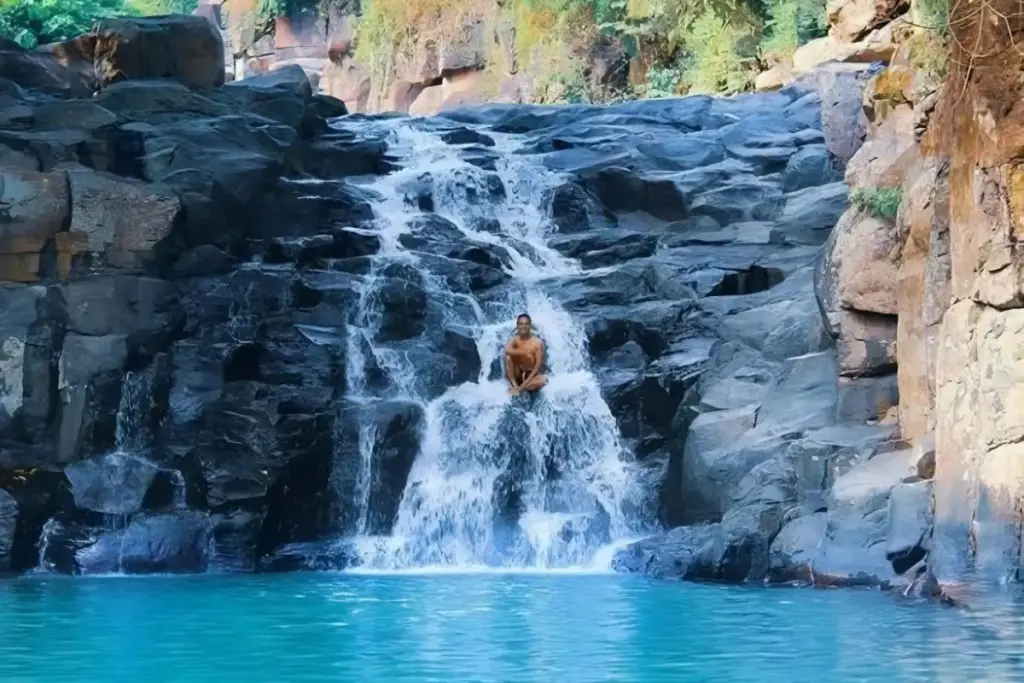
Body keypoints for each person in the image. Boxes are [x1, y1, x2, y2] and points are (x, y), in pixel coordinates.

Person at [505, 313, 547, 396]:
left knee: (543, 380)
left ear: (530, 326)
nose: (523, 326)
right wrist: (524, 352)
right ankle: (515, 386)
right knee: (508, 357)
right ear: (517, 326)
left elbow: (536, 368)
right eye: (520, 324)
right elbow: (507, 350)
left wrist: (521, 388)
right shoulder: (514, 339)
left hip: (531, 376)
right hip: (518, 376)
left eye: (526, 324)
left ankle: (520, 389)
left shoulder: (537, 343)